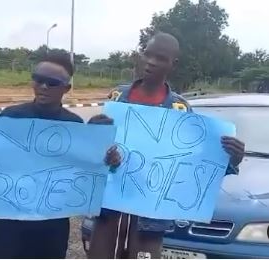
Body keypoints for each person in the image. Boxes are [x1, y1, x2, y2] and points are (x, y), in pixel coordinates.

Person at [88, 32, 245, 259]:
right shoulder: (117, 97)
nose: (150, 62)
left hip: (151, 217)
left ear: (173, 64)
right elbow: (96, 153)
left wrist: (231, 159)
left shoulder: (179, 109)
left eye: (160, 58)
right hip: (110, 209)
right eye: (147, 54)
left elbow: (195, 165)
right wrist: (94, 135)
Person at [0, 53, 121, 259]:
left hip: (52, 227)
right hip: (9, 224)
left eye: (52, 83)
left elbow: (87, 171)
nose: (43, 87)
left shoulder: (74, 126)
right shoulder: (11, 117)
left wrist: (108, 161)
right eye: (38, 79)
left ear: (66, 88)